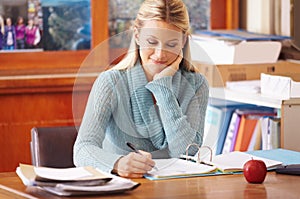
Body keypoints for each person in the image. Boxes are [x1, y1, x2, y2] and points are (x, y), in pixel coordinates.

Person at [73, 0, 209, 178]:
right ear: (137, 35)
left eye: (171, 44)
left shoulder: (197, 84)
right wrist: (117, 163)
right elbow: (82, 149)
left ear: (183, 41)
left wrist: (163, 88)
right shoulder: (111, 81)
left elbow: (187, 153)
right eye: (152, 42)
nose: (160, 54)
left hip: (175, 189)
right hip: (125, 187)